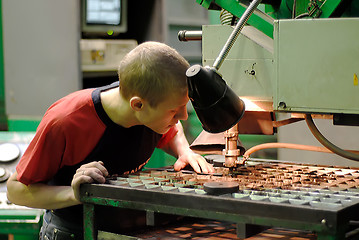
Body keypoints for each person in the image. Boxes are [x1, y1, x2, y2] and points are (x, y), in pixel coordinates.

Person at [6, 41, 214, 239]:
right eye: (174, 111)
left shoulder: (152, 110)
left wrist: (184, 151)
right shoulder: (66, 122)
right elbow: (16, 191)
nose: (183, 117)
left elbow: (172, 128)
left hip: (127, 229)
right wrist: (75, 194)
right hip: (74, 232)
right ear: (138, 105)